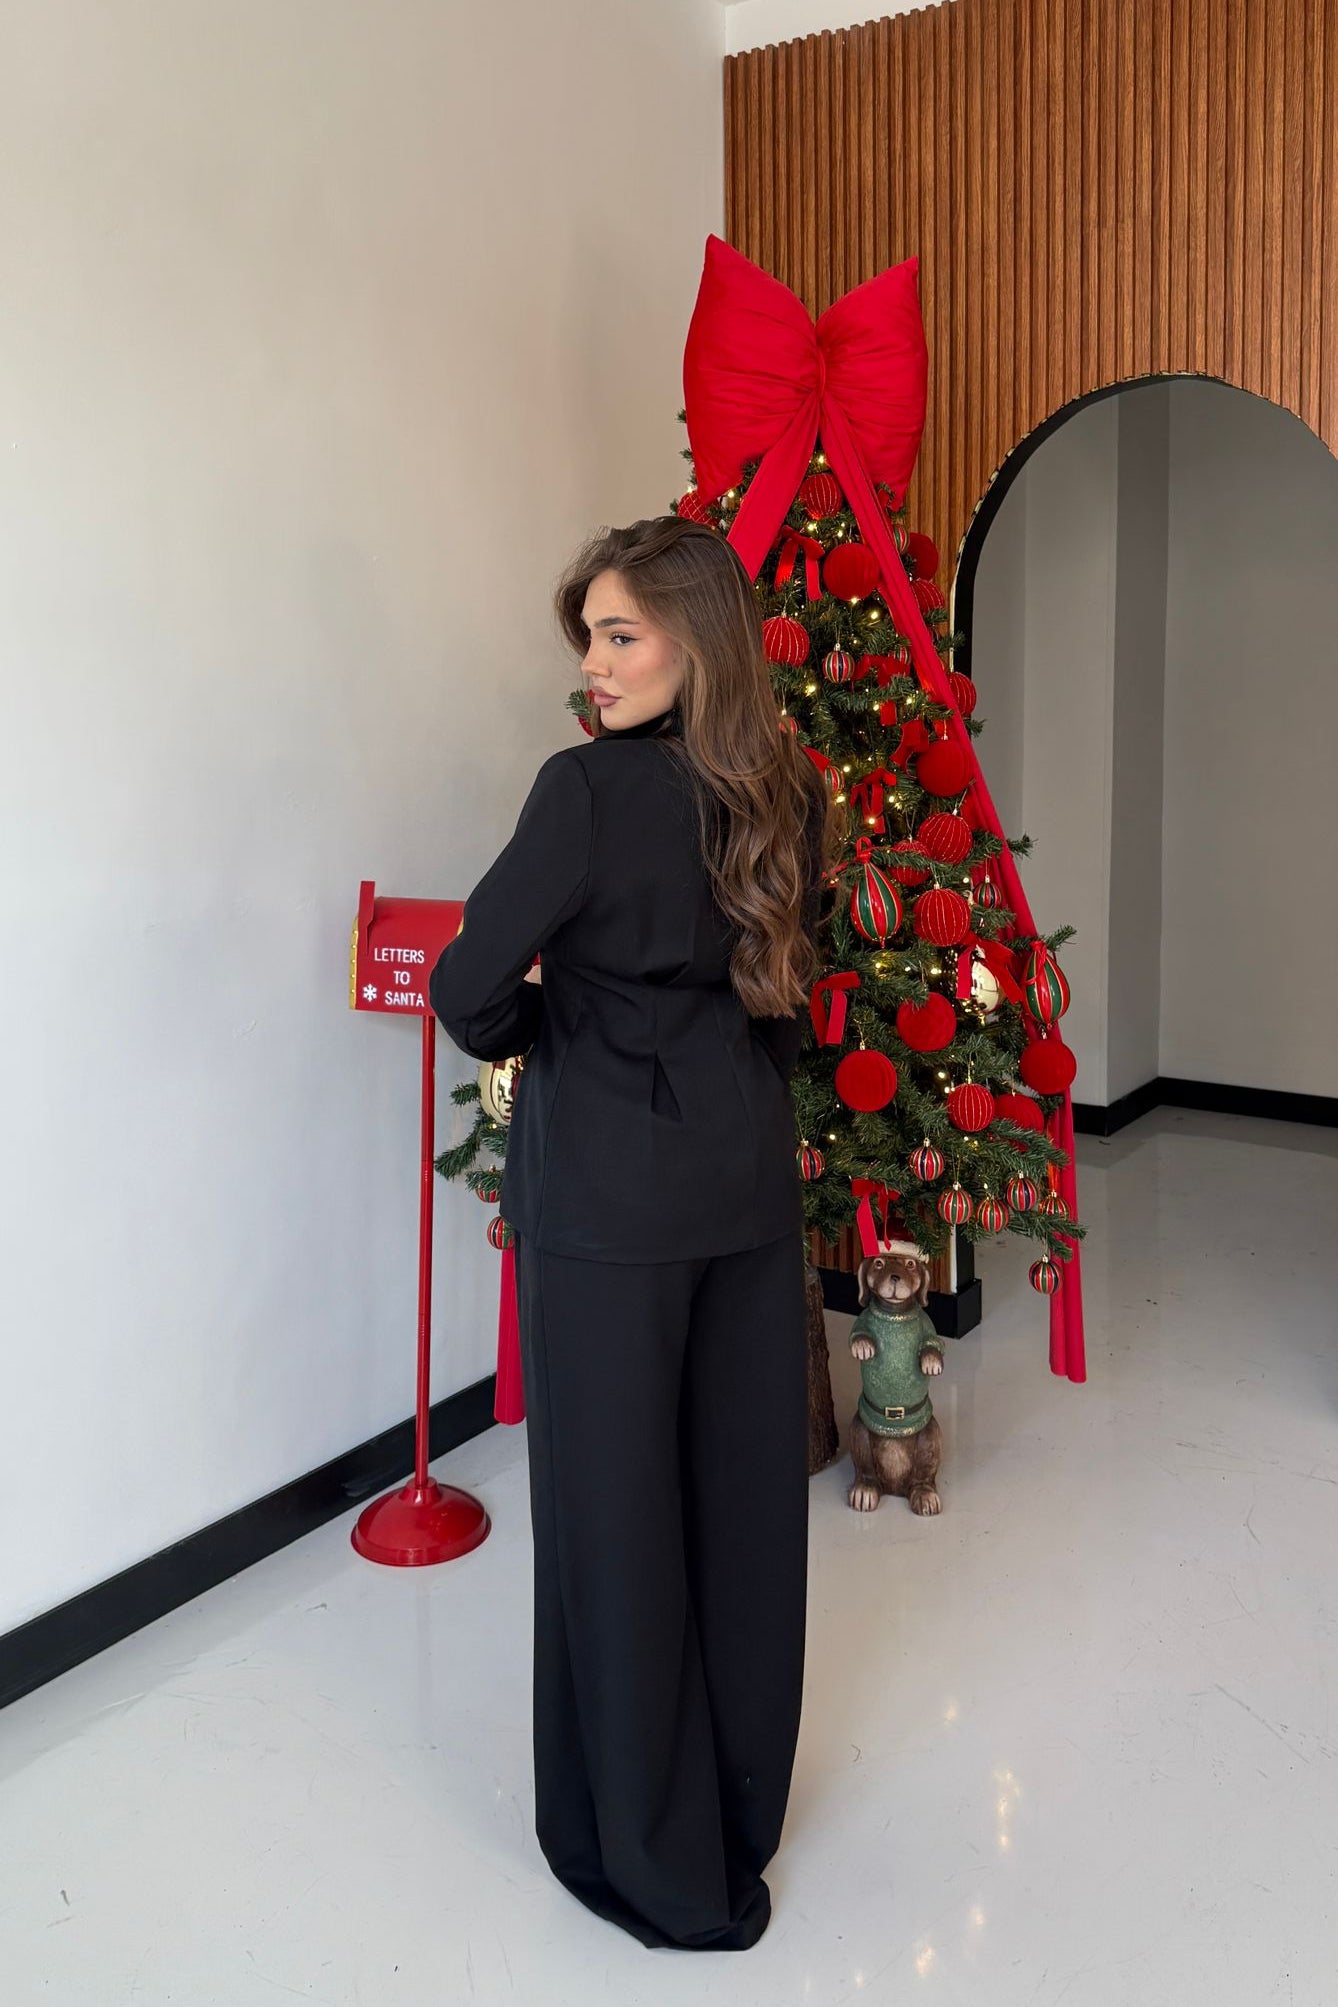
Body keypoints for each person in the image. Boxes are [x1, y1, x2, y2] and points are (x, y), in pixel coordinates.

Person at [429, 514, 841, 1951]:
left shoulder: (585, 791)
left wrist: (551, 1028)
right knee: (741, 1508)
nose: (594, 667)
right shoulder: (786, 786)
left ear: (694, 644)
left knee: (615, 1522)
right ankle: (736, 1814)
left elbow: (467, 986)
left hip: (608, 1195)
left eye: (620, 636)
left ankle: (650, 1858)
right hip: (742, 1182)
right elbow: (790, 994)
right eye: (589, 640)